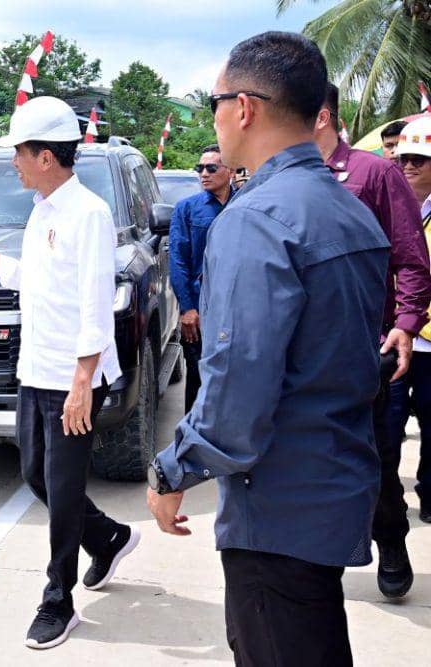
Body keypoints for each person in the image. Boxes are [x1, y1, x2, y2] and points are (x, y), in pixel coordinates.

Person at [147, 32, 391, 665]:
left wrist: (173, 469)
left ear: (245, 108)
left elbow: (237, 387)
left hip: (277, 506)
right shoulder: (348, 210)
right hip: (332, 485)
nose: (215, 119)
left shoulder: (257, 219)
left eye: (216, 103)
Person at [0, 96, 137, 650]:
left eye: (18, 151)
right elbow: (33, 278)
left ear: (45, 156)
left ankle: (58, 599)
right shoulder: (42, 211)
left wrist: (83, 383)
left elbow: (95, 305)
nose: (13, 161)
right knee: (35, 474)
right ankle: (107, 537)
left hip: (72, 376)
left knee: (62, 489)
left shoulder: (89, 214)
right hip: (35, 369)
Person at [314, 82, 431, 599]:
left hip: (366, 348)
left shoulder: (374, 174)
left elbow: (411, 258)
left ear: (320, 115)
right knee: (313, 462)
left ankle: (391, 539)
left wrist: (404, 323)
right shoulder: (282, 177)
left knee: (377, 458)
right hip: (302, 352)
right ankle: (323, 553)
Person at [387, 116, 431, 524]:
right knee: (387, 423)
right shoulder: (384, 205)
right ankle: (387, 500)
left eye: (420, 159)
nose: (410, 166)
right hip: (392, 337)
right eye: (404, 159)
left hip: (429, 341)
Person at [168, 145, 233, 413]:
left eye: (211, 168)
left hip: (236, 310)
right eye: (200, 168)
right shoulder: (187, 209)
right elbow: (178, 261)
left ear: (230, 170)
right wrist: (187, 308)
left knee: (235, 383)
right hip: (199, 312)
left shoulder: (244, 205)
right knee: (198, 381)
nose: (204, 173)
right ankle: (192, 436)